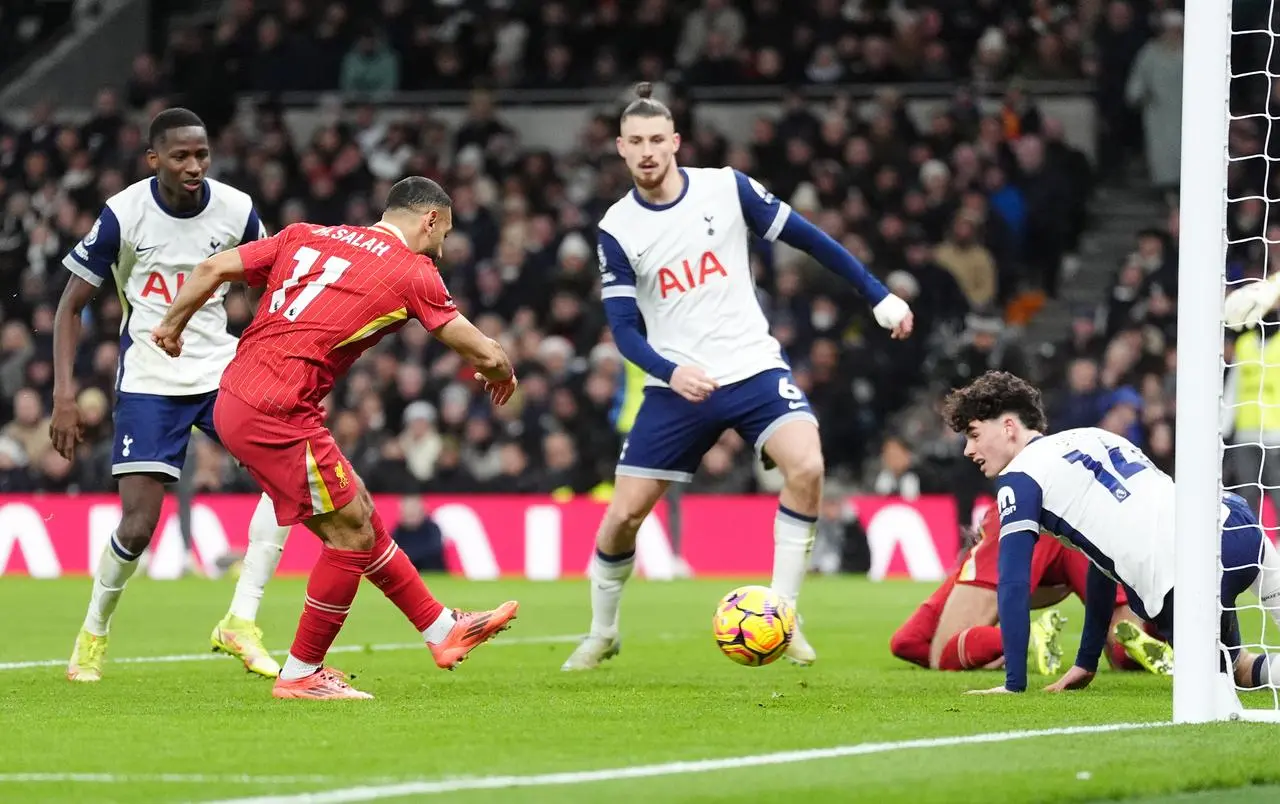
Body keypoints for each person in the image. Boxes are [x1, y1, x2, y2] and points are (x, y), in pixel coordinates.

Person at [561, 83, 914, 671]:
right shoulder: (617, 228)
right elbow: (622, 331)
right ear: (620, 149)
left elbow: (813, 239)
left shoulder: (725, 187)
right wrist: (671, 372)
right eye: (636, 143)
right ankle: (603, 631)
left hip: (752, 367)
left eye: (657, 140)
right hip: (677, 387)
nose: (648, 151)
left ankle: (785, 613)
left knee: (807, 465)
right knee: (623, 516)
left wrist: (878, 297)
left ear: (675, 141)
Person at [152, 176, 519, 700]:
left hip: (239, 393)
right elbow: (486, 354)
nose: (442, 247)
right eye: (443, 234)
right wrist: (503, 372)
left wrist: (171, 326)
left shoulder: (305, 235)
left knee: (360, 512)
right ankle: (302, 672)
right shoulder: (413, 270)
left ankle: (442, 629)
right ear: (430, 220)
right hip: (277, 410)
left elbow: (211, 269)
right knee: (349, 537)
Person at [55, 108, 290, 682]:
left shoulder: (236, 209)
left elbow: (274, 284)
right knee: (138, 525)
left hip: (220, 370)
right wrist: (64, 395)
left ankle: (241, 618)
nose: (194, 166)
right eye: (181, 156)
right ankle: (94, 630)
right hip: (150, 378)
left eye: (202, 154)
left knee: (289, 481)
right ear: (153, 158)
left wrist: (269, 357)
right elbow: (69, 307)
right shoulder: (124, 213)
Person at [942, 370, 1280, 694]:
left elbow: (1013, 581)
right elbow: (1103, 561)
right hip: (1232, 520)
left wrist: (1014, 683)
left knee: (1214, 687)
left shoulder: (1019, 477)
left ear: (1009, 427)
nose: (968, 450)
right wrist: (1086, 660)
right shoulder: (1093, 435)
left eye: (973, 435)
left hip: (1181, 572)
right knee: (1240, 669)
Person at [889, 506, 1173, 675]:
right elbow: (904, 644)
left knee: (941, 653)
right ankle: (1156, 636)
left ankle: (1025, 638)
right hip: (1078, 534)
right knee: (1122, 648)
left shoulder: (1005, 511)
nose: (970, 450)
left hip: (1020, 528)